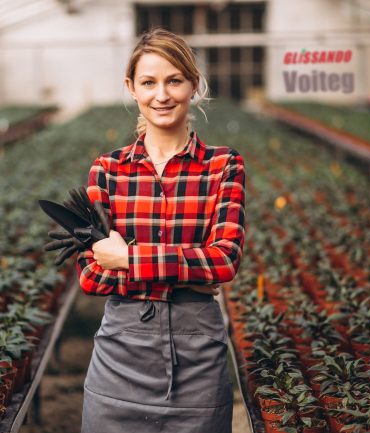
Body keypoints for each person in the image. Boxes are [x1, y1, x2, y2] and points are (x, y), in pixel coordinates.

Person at [76, 27, 246, 433]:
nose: (162, 95)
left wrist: (128, 259)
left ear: (194, 85)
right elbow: (90, 273)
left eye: (174, 81)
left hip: (198, 358)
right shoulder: (108, 169)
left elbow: (223, 262)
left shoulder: (222, 166)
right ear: (131, 88)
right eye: (149, 83)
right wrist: (188, 272)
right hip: (119, 355)